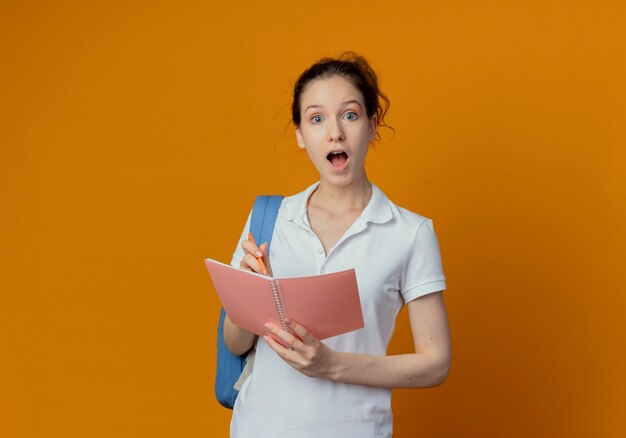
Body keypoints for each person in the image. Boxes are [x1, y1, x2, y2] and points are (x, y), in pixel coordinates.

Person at [223, 52, 451, 438]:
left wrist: (331, 365)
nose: (335, 133)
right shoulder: (270, 218)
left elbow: (436, 363)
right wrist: (248, 295)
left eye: (349, 114)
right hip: (257, 428)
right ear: (300, 134)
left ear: (372, 125)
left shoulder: (410, 233)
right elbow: (234, 342)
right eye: (316, 118)